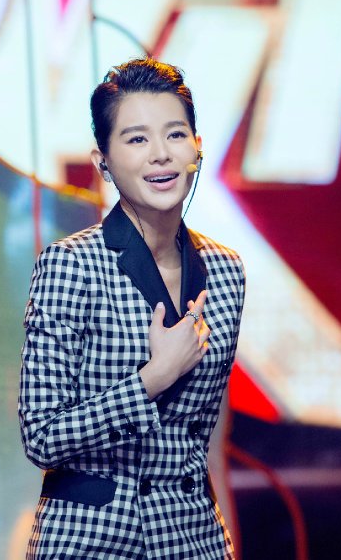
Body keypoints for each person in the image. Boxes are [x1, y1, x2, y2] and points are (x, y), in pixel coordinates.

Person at [18, 58, 246, 558]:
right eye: (137, 139)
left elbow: (206, 446)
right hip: (93, 540)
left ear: (197, 148)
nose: (161, 154)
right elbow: (41, 436)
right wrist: (151, 379)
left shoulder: (227, 271)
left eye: (175, 135)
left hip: (192, 540)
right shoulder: (71, 265)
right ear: (103, 163)